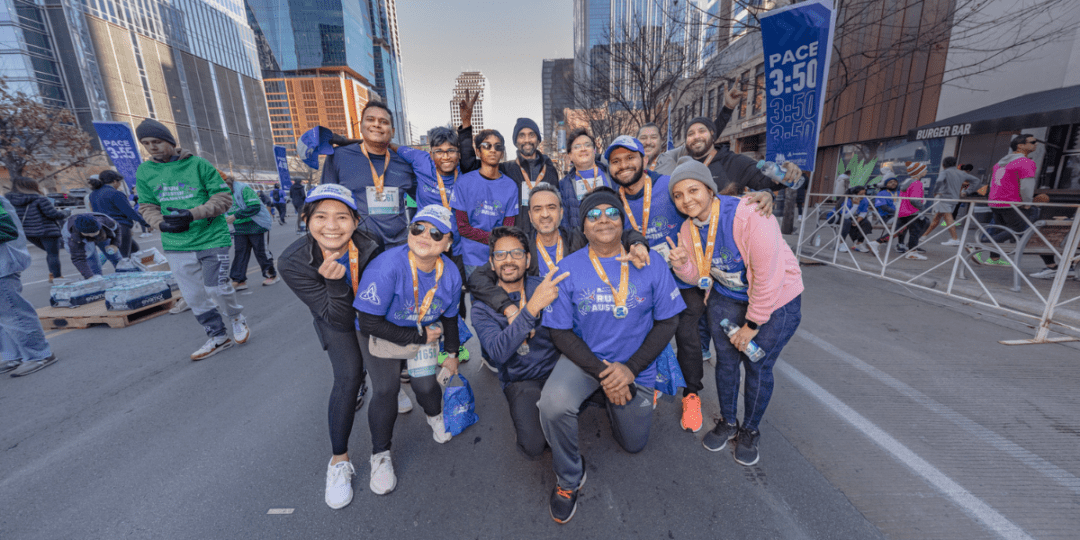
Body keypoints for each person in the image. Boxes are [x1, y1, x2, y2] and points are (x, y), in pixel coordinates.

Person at [538, 187, 685, 524]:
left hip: (637, 365)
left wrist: (630, 369)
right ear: (583, 227)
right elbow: (559, 332)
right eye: (592, 215)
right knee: (552, 404)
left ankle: (612, 402)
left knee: (634, 444)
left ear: (622, 221)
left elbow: (668, 321)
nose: (602, 219)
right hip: (586, 361)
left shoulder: (649, 261)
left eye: (610, 213)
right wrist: (606, 374)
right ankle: (569, 477)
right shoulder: (567, 267)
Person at [667, 156, 803, 467]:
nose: (686, 199)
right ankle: (729, 421)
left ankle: (750, 430)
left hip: (777, 299)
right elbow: (698, 275)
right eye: (678, 195)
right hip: (727, 296)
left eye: (693, 190)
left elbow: (767, 277)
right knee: (726, 365)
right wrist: (682, 264)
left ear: (710, 190)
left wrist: (752, 326)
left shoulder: (749, 213)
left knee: (757, 366)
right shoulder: (689, 229)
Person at [279, 184, 382, 510]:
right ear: (306, 219)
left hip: (368, 312)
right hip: (332, 313)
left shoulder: (370, 246)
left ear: (355, 221)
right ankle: (339, 461)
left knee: (385, 370)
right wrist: (335, 283)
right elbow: (336, 319)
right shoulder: (291, 261)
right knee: (349, 376)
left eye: (342, 217)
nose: (332, 226)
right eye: (321, 216)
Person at [352, 204, 461, 495]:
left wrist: (451, 356)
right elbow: (369, 321)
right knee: (386, 389)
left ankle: (434, 415)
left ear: (448, 243)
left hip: (422, 331)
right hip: (380, 331)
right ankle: (380, 454)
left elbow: (450, 319)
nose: (426, 235)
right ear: (409, 231)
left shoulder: (450, 273)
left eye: (436, 233)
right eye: (418, 227)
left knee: (426, 386)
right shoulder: (386, 266)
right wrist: (419, 335)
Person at [466, 183, 650, 339]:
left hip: (580, 323)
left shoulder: (579, 238)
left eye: (551, 207)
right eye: (538, 209)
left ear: (561, 212)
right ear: (530, 216)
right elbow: (478, 277)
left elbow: (616, 232)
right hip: (539, 327)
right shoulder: (521, 247)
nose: (545, 214)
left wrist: (636, 242)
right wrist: (508, 308)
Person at [134, 118, 250, 361]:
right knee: (194, 296)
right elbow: (147, 206)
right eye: (146, 143)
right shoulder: (144, 171)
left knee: (216, 288)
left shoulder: (198, 164)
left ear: (170, 141)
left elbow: (223, 198)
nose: (152, 147)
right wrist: (160, 224)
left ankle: (236, 317)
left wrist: (192, 214)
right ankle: (218, 336)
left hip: (211, 238)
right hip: (176, 243)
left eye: (156, 141)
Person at [471, 226, 566, 458]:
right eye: (500, 255)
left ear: (527, 259)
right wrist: (531, 308)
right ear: (492, 264)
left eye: (516, 254)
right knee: (533, 447)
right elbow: (498, 353)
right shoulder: (481, 308)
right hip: (521, 380)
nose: (508, 260)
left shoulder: (543, 286)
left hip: (559, 372)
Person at [395, 126, 471, 362]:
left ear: (458, 153)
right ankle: (429, 340)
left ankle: (454, 345)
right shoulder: (419, 160)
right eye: (439, 151)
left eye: (451, 151)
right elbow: (390, 144)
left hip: (456, 247)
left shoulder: (465, 171)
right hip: (428, 245)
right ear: (430, 153)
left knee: (456, 296)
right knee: (428, 294)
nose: (445, 156)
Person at [654, 85, 801, 199]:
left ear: (712, 135)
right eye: (690, 134)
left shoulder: (735, 162)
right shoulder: (681, 165)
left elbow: (766, 182)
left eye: (702, 131)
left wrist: (787, 173)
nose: (696, 136)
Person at [457, 92, 561, 238]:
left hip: (544, 236)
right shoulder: (506, 169)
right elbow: (469, 165)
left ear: (538, 140)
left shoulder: (550, 170)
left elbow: (557, 205)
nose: (527, 140)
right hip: (517, 238)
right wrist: (466, 124)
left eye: (531, 135)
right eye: (521, 135)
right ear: (515, 141)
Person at [322, 101, 417, 247]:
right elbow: (326, 204)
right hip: (357, 246)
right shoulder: (338, 157)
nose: (377, 125)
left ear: (392, 131)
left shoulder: (405, 162)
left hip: (399, 246)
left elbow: (418, 201)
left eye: (383, 122)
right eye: (370, 119)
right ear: (361, 126)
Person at [0, 194, 58, 377]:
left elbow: (6, 229)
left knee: (13, 312)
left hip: (2, 265)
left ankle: (38, 354)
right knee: (4, 316)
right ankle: (13, 355)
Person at [450, 128, 519, 276]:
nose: (493, 150)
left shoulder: (510, 186)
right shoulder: (464, 183)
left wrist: (498, 242)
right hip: (472, 258)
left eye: (498, 146)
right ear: (478, 151)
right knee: (477, 298)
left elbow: (508, 228)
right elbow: (463, 227)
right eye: (487, 146)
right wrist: (495, 238)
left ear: (502, 152)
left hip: (500, 257)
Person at [973, 134, 1042, 268]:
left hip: (995, 201)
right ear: (1020, 146)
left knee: (1000, 229)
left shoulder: (1000, 163)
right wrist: (1027, 202)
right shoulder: (1026, 162)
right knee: (1018, 227)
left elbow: (993, 182)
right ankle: (979, 246)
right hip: (1012, 202)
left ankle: (994, 258)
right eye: (1033, 142)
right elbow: (1026, 186)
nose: (1036, 144)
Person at [5, 175, 67, 281]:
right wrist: (66, 212)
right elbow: (53, 214)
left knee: (50, 253)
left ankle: (53, 275)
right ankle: (57, 277)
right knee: (53, 254)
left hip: (29, 233)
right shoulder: (40, 199)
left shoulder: (9, 201)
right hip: (48, 231)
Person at [223, 172, 278, 289]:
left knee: (261, 251)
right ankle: (239, 280)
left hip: (256, 224)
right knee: (240, 253)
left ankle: (271, 275)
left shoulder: (243, 189)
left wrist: (236, 216)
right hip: (239, 226)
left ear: (229, 183)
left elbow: (254, 207)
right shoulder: (219, 193)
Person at [559, 129, 613, 231]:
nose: (583, 149)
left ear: (594, 150)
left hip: (612, 234)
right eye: (577, 146)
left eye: (587, 145)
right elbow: (565, 222)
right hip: (582, 240)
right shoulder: (563, 185)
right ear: (570, 155)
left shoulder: (611, 173)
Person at [89, 170, 149, 258]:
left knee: (134, 250)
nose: (120, 184)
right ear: (114, 181)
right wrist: (145, 223)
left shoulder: (93, 194)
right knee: (124, 257)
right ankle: (127, 270)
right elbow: (129, 212)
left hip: (104, 228)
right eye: (119, 182)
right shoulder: (116, 194)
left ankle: (137, 268)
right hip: (120, 228)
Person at [923, 156, 980, 246]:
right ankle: (924, 236)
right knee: (937, 217)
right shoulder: (961, 173)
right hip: (955, 199)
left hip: (945, 198)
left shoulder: (945, 172)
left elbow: (939, 181)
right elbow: (977, 181)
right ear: (955, 164)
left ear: (943, 164)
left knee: (948, 217)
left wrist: (936, 191)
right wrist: (966, 192)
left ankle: (955, 238)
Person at [64, 213, 125, 278]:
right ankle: (99, 284)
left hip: (103, 235)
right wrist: (90, 277)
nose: (91, 235)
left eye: (94, 232)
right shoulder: (73, 237)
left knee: (116, 257)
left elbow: (117, 230)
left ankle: (125, 277)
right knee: (93, 266)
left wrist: (114, 244)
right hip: (83, 241)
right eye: (88, 233)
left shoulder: (107, 221)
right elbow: (78, 259)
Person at [893, 162, 930, 260]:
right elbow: (914, 199)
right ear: (919, 172)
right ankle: (912, 251)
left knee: (898, 230)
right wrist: (922, 208)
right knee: (915, 231)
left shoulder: (907, 182)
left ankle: (876, 242)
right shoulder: (917, 183)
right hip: (912, 211)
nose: (926, 171)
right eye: (925, 169)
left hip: (903, 211)